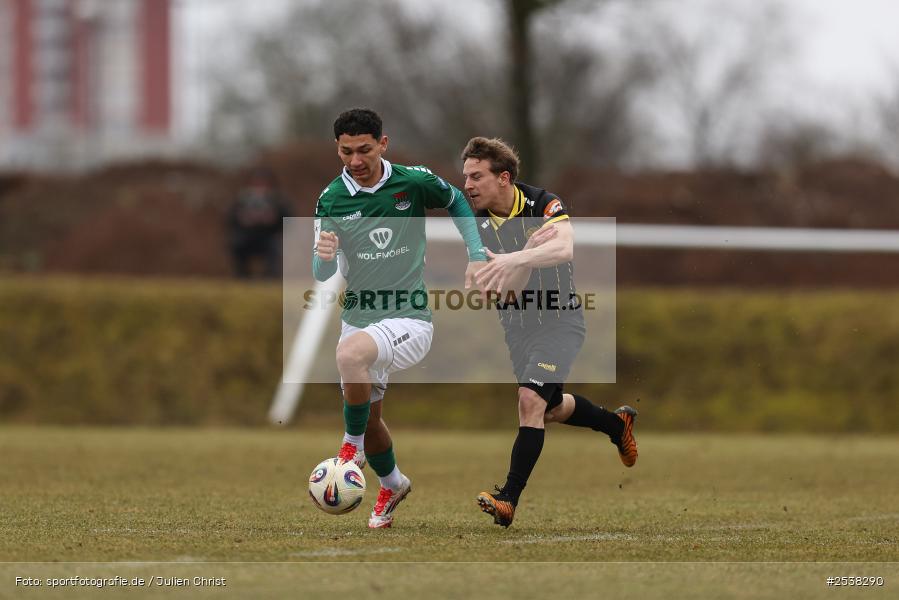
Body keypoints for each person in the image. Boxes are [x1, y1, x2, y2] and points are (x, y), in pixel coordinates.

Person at [313, 108, 486, 528]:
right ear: (337, 149)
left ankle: (349, 450)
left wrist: (477, 253)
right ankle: (392, 483)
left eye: (364, 150)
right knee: (370, 419)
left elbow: (456, 200)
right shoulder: (330, 199)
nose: (356, 160)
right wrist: (325, 255)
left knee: (349, 356)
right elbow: (321, 272)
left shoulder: (412, 181)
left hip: (410, 318)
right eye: (346, 152)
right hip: (358, 317)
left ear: (383, 144)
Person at [461, 136, 638, 528]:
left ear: (503, 177)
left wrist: (515, 256)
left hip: (560, 321)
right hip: (517, 327)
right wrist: (522, 259)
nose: (468, 185)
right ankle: (616, 425)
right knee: (551, 407)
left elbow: (563, 248)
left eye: (476, 176)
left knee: (530, 400)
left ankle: (508, 499)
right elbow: (501, 291)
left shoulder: (542, 203)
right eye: (466, 177)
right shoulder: (474, 224)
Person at [226, 168, 292, 279]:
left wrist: (274, 219)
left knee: (276, 246)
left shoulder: (278, 200)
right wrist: (243, 219)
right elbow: (230, 219)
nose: (260, 188)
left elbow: (289, 221)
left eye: (263, 184)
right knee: (236, 244)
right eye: (257, 184)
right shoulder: (242, 200)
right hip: (246, 236)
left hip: (270, 237)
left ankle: (270, 277)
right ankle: (242, 277)